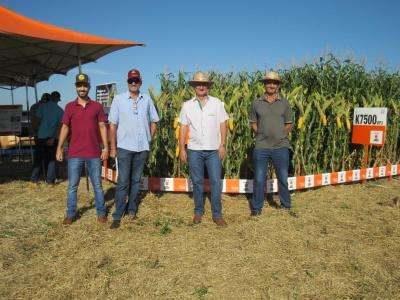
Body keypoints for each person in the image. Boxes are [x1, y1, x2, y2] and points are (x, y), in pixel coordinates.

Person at [108, 69, 159, 229]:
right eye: (131, 81)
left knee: (136, 181)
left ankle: (132, 210)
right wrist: (113, 147)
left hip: (141, 148)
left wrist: (149, 139)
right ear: (127, 82)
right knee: (123, 181)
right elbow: (112, 125)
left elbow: (154, 121)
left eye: (136, 80)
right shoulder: (118, 99)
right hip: (124, 147)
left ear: (140, 82)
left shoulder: (147, 100)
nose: (134, 83)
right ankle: (117, 214)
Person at [56, 73, 109, 225]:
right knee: (72, 186)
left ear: (89, 87)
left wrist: (105, 147)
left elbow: (102, 127)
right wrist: (59, 147)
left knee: (97, 185)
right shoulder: (69, 107)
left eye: (85, 85)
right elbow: (65, 127)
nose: (82, 88)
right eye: (79, 85)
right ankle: (71, 214)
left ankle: (101, 212)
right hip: (75, 154)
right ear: (75, 87)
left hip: (94, 153)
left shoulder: (97, 107)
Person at [179, 72, 228, 226]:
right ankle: (198, 212)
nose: (201, 87)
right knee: (197, 182)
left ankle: (217, 214)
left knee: (215, 182)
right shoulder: (187, 105)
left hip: (213, 150)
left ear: (208, 86)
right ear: (194, 86)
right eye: (198, 84)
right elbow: (183, 128)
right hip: (194, 150)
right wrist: (182, 149)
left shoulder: (217, 103)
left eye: (204, 84)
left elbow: (223, 125)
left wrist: (223, 145)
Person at [249, 71, 295, 217]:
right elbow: (253, 123)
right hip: (261, 147)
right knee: (259, 178)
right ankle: (256, 209)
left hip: (280, 146)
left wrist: (280, 135)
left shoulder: (285, 103)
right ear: (264, 84)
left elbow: (289, 123)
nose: (271, 85)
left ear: (278, 85)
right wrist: (261, 134)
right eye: (269, 82)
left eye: (274, 82)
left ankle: (285, 206)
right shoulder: (256, 103)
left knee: (282, 177)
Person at [30, 91, 64, 185]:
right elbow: (60, 127)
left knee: (38, 159)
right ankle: (50, 182)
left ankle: (33, 180)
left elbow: (36, 121)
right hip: (53, 138)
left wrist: (36, 130)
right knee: (52, 160)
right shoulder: (60, 110)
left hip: (41, 136)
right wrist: (53, 137)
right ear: (57, 99)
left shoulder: (42, 107)